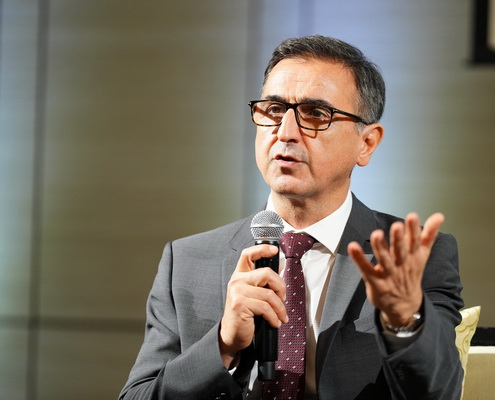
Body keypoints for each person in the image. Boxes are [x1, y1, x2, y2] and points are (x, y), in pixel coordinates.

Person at [120, 35, 464, 400]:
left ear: (366, 144)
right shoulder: (187, 262)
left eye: (315, 114)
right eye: (273, 109)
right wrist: (222, 345)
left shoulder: (412, 257)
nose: (285, 133)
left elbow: (441, 392)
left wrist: (406, 322)